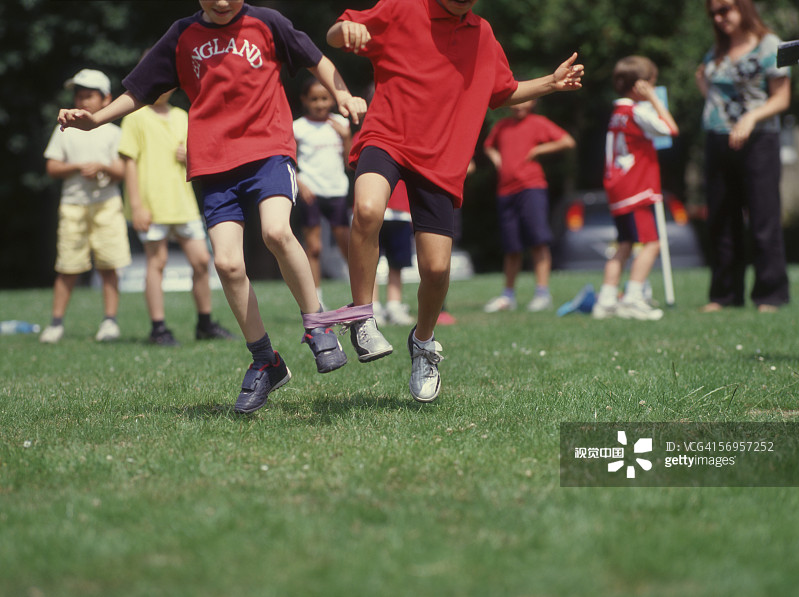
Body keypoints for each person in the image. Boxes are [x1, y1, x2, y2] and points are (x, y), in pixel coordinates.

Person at [58, 1, 367, 414]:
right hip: (213, 163)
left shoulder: (266, 23)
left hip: (268, 151)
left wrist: (342, 93)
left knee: (276, 231)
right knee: (226, 263)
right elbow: (139, 91)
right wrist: (96, 120)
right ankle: (266, 361)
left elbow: (316, 59)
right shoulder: (182, 35)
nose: (222, 2)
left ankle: (317, 324)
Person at [327, 0, 583, 402]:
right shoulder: (402, 8)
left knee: (436, 268)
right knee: (369, 208)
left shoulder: (482, 34)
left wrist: (550, 82)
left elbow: (505, 91)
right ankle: (362, 316)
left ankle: (423, 343)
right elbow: (337, 32)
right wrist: (346, 33)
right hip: (388, 136)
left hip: (440, 157)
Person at [695, 0, 791, 313]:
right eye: (714, 13)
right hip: (717, 139)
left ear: (743, 7)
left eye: (725, 9)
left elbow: (781, 97)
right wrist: (703, 87)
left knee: (763, 217)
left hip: (759, 139)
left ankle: (770, 295)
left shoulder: (769, 45)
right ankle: (724, 295)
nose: (719, 17)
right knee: (721, 218)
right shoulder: (717, 50)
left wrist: (750, 119)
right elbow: (719, 96)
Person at [119, 87, 234, 346]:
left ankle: (205, 324)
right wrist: (136, 206)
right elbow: (129, 163)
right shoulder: (134, 117)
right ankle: (158, 329)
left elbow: (202, 155)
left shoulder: (183, 116)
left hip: (183, 203)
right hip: (152, 205)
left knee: (202, 261)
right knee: (156, 262)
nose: (160, 87)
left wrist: (191, 156)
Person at [40, 69, 131, 344]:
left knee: (109, 265)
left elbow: (124, 170)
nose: (82, 100)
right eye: (78, 95)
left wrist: (103, 166)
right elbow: (52, 166)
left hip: (107, 205)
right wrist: (78, 166)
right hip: (74, 206)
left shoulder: (114, 131)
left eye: (89, 95)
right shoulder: (64, 130)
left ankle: (110, 322)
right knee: (68, 266)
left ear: (107, 99)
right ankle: (56, 324)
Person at [592, 56, 679, 321]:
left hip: (617, 187)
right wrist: (654, 99)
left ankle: (606, 300)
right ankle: (632, 297)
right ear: (641, 85)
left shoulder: (617, 112)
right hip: (636, 187)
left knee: (625, 244)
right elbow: (671, 129)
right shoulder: (637, 111)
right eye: (651, 83)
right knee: (652, 243)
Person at [482, 99, 575, 313]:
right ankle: (508, 296)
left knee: (538, 241)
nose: (519, 105)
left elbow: (567, 141)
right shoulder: (502, 126)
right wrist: (497, 158)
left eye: (525, 100)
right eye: (516, 101)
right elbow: (488, 146)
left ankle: (542, 294)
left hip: (531, 189)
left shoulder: (538, 123)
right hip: (505, 192)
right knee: (511, 247)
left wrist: (539, 150)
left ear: (532, 102)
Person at [293, 78, 352, 311]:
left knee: (347, 246)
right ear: (304, 101)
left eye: (324, 98)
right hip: (311, 193)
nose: (319, 104)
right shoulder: (297, 127)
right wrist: (300, 183)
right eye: (314, 99)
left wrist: (346, 138)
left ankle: (363, 297)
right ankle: (316, 300)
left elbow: (350, 163)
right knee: (314, 248)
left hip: (336, 191)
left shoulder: (340, 124)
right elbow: (289, 160)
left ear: (332, 99)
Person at [373, 180, 416, 326]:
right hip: (372, 207)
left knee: (398, 262)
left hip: (401, 210)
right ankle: (372, 307)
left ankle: (394, 305)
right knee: (369, 263)